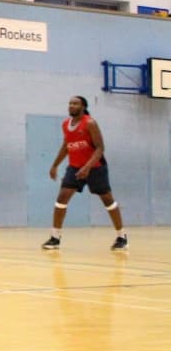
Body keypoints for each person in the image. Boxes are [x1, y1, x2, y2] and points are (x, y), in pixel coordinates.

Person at [42, 96, 127, 251]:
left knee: (107, 200)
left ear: (83, 107)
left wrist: (88, 167)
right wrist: (55, 165)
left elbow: (100, 148)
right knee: (62, 198)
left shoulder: (90, 123)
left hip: (95, 168)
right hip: (74, 167)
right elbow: (66, 146)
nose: (71, 106)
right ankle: (55, 237)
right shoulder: (65, 125)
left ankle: (121, 236)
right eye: (70, 103)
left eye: (75, 103)